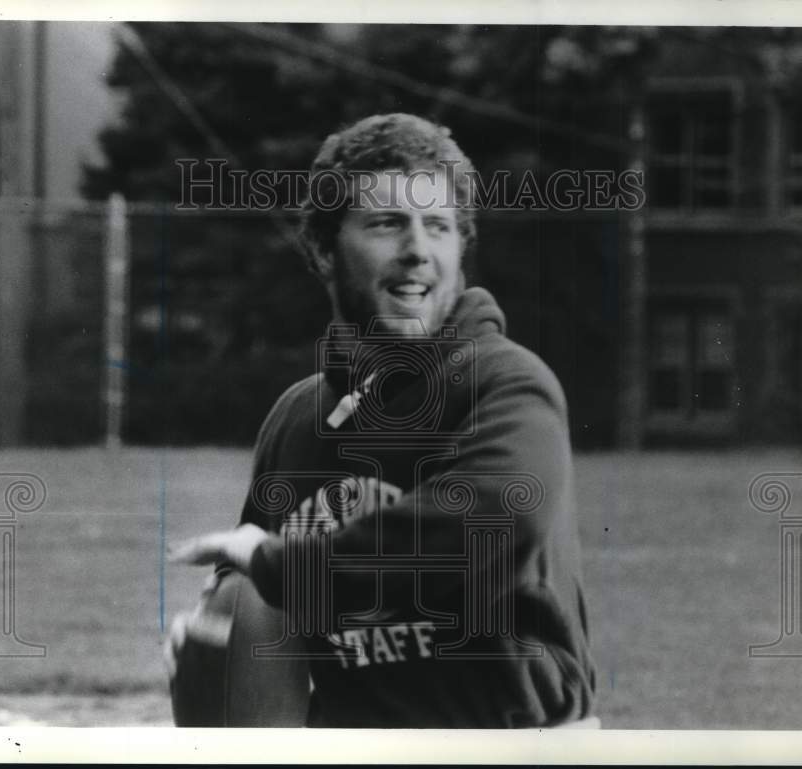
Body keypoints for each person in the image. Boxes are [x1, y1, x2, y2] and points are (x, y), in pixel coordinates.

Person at [167, 113, 596, 728]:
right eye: (388, 223)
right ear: (321, 248)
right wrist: (212, 631)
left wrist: (279, 566)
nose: (418, 250)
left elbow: (490, 522)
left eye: (439, 227)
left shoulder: (507, 384)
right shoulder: (297, 419)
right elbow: (252, 590)